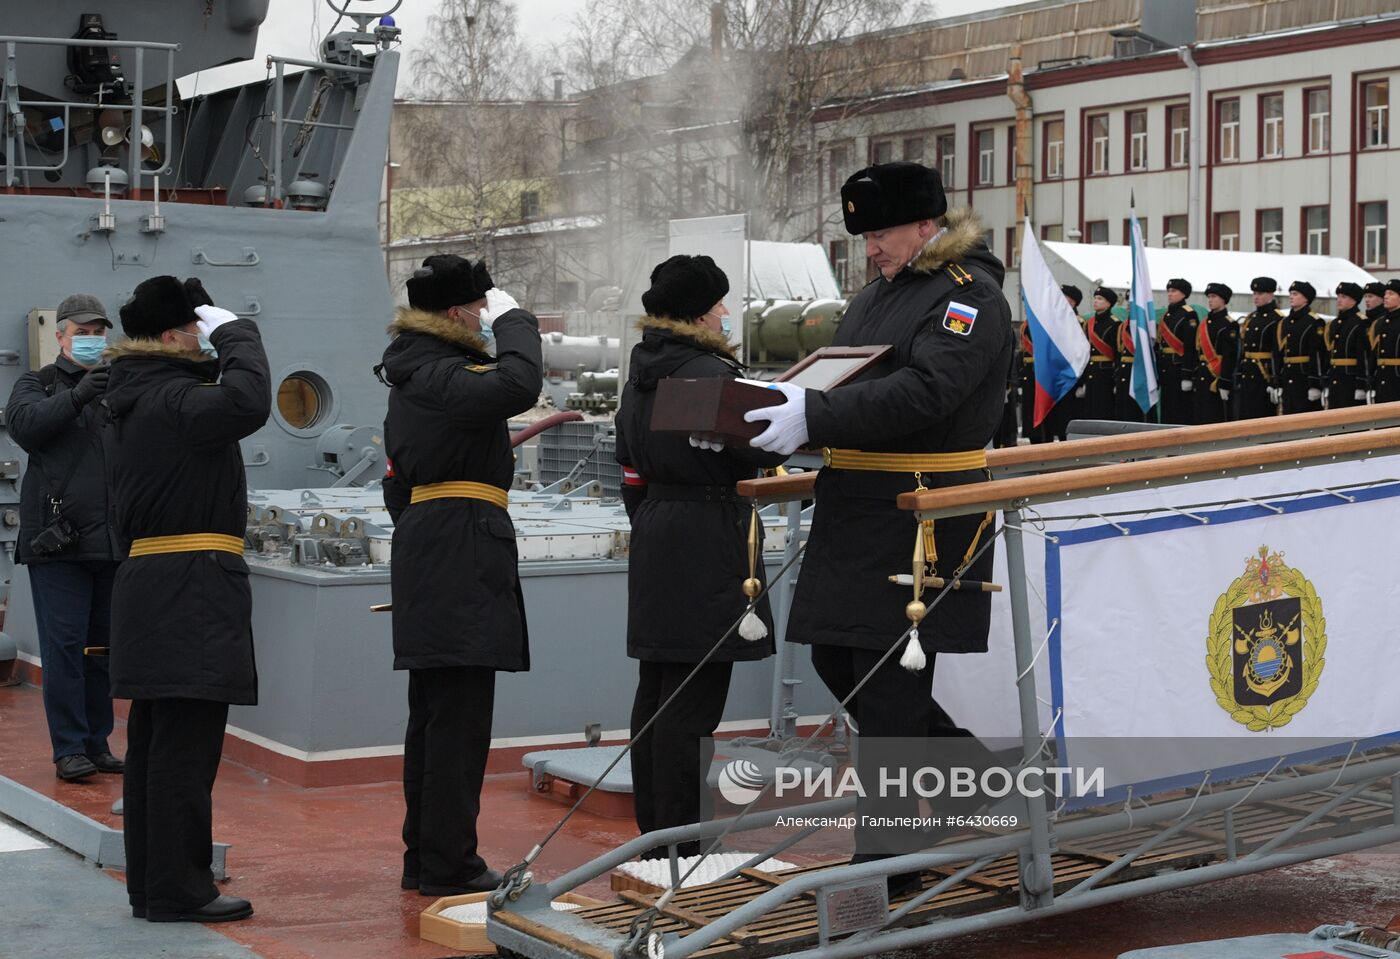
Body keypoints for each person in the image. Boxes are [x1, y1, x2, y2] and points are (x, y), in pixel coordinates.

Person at [743, 161, 1012, 893]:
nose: (872, 249)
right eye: (864, 237)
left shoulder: (969, 298)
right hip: (856, 503)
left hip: (920, 509)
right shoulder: (874, 298)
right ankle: (975, 777)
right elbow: (844, 376)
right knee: (836, 658)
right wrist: (781, 409)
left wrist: (814, 413)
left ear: (928, 225)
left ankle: (889, 861)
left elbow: (927, 391)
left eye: (882, 233)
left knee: (889, 690)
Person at [103, 275, 270, 923]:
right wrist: (237, 333)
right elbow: (250, 401)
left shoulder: (134, 397)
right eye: (196, 329)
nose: (203, 339)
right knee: (183, 749)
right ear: (172, 335)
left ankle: (152, 883)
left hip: (152, 583)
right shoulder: (174, 396)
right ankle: (180, 888)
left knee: (153, 743)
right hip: (190, 587)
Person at [377, 255, 541, 897]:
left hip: (432, 543)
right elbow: (517, 387)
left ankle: (427, 857)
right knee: (459, 719)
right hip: (462, 548)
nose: (483, 316)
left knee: (435, 714)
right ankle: (449, 864)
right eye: (479, 307)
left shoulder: (414, 372)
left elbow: (398, 485)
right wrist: (518, 321)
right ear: (456, 313)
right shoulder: (444, 371)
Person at [614, 255, 784, 857]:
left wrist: (660, 514)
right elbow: (757, 447)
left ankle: (654, 834)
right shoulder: (709, 372)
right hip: (709, 531)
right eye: (718, 306)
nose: (725, 315)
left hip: (657, 528)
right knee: (694, 696)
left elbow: (628, 463)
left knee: (657, 686)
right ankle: (681, 844)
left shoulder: (640, 372)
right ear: (698, 312)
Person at [8, 294, 122, 782]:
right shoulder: (38, 383)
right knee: (65, 647)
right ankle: (69, 748)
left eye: (99, 331)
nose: (93, 340)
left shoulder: (120, 388)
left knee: (102, 651)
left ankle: (97, 743)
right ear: (60, 336)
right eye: (83, 331)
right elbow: (25, 426)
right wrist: (78, 395)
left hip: (111, 542)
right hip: (58, 545)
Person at [1234, 277, 1284, 420]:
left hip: (1264, 375)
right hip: (1247, 373)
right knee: (1245, 414)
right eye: (1254, 293)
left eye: (1260, 293)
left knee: (1261, 413)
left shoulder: (1276, 318)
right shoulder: (1251, 317)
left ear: (1271, 295)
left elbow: (1277, 352)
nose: (1256, 297)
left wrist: (1276, 381)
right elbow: (1243, 349)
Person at [1275, 280, 1326, 416]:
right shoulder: (1285, 322)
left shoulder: (1314, 322)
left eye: (1295, 294)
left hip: (1304, 379)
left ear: (1306, 298)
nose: (1291, 297)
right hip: (1288, 377)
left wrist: (1315, 384)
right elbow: (1281, 354)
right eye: (1290, 293)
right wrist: (1279, 382)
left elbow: (1317, 355)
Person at [1042, 285, 1085, 442]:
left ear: (1073, 302)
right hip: (1053, 374)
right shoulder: (1054, 321)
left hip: (1070, 374)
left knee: (1066, 413)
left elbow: (1082, 352)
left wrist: (1081, 381)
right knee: (1052, 413)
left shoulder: (1078, 323)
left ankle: (1065, 443)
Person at [1193, 283, 1238, 424]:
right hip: (1202, 375)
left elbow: (1230, 356)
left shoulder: (1229, 324)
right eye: (1209, 297)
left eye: (1214, 297)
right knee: (1199, 414)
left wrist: (1225, 382)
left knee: (1215, 415)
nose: (1210, 300)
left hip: (1216, 377)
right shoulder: (1204, 323)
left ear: (1223, 300)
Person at [1156, 278, 1199, 425]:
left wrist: (1187, 374)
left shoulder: (1189, 315)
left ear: (1184, 294)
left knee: (1179, 408)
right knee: (1166, 407)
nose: (1170, 294)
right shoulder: (1167, 315)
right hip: (1165, 367)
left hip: (1178, 368)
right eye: (1168, 291)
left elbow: (1190, 347)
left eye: (1174, 291)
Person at [1325, 282, 1370, 409]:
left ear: (1354, 301)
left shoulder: (1360, 322)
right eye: (1338, 296)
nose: (1339, 300)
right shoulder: (1333, 324)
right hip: (1335, 378)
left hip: (1350, 381)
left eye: (1344, 297)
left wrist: (1361, 385)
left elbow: (1364, 356)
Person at [1083, 287, 1119, 420]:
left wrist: (1116, 381)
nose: (1095, 301)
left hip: (1106, 374)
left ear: (1109, 303)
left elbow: (1117, 354)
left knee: (1104, 410)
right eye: (1095, 298)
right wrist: (1083, 381)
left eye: (1100, 299)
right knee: (1090, 412)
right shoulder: (1089, 324)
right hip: (1091, 373)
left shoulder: (1114, 324)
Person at [1112, 305, 1144, 423]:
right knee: (1122, 409)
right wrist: (1116, 377)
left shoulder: (1146, 326)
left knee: (1135, 411)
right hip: (1123, 373)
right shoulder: (1123, 326)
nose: (1129, 306)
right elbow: (1118, 355)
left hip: (1137, 373)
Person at [1372, 280, 1400, 404]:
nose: (1386, 296)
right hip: (1381, 380)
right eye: (1385, 293)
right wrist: (1369, 384)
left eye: (1391, 293)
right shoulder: (1379, 323)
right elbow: (1372, 356)